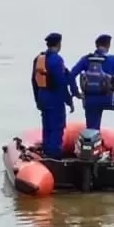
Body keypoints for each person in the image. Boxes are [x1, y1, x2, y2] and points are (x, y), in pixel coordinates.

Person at [70, 33, 114, 131]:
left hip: (90, 101)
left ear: (96, 45)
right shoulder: (113, 60)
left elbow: (71, 75)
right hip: (109, 99)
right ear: (108, 45)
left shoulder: (86, 59)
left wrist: (76, 93)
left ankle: (92, 144)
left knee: (92, 130)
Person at [31, 31, 76, 159]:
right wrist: (69, 101)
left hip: (42, 96)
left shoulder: (38, 59)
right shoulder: (57, 60)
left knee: (47, 126)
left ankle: (46, 151)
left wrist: (37, 99)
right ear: (58, 44)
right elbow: (61, 83)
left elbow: (33, 80)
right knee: (57, 127)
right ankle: (54, 156)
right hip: (54, 97)